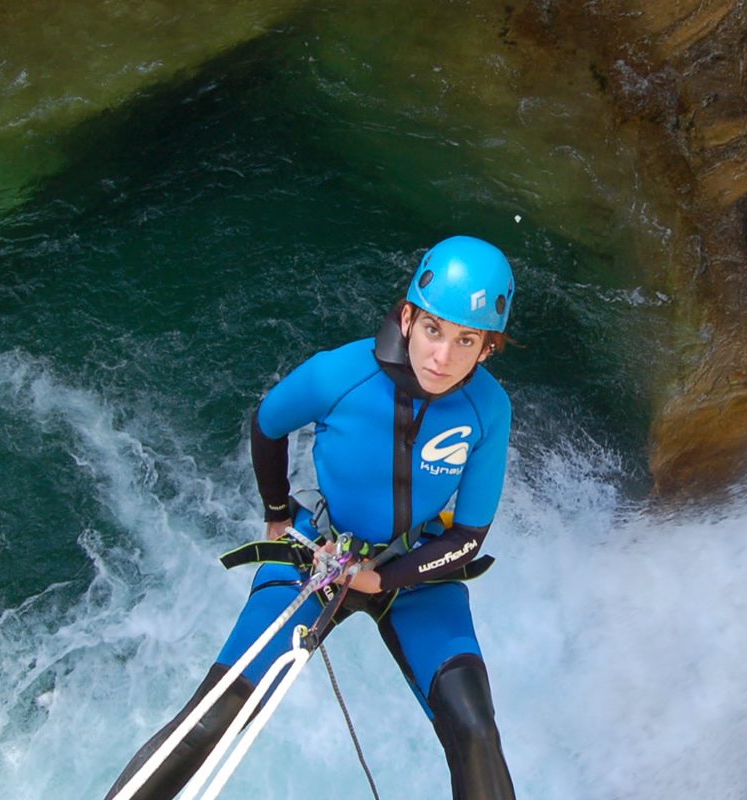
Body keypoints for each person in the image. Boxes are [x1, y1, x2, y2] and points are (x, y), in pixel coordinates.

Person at [104, 235, 518, 800]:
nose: (441, 357)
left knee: (475, 730)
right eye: (432, 330)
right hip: (319, 556)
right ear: (407, 317)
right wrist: (277, 512)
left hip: (415, 569)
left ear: (487, 349)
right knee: (211, 719)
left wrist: (382, 579)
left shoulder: (487, 409)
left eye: (465, 340)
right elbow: (269, 423)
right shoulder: (340, 374)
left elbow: (469, 535)